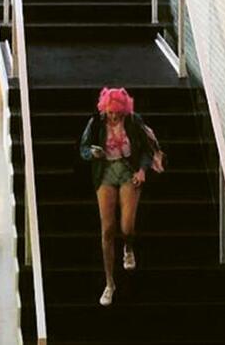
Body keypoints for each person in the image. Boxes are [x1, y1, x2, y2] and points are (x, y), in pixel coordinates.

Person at [79, 87, 156, 306]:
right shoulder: (96, 122)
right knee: (107, 230)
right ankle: (109, 282)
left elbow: (148, 149)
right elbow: (83, 149)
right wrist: (92, 152)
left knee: (127, 225)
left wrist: (142, 170)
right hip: (105, 174)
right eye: (110, 113)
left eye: (118, 113)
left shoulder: (133, 121)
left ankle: (128, 247)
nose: (114, 117)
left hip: (128, 172)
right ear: (105, 109)